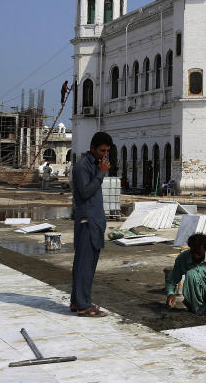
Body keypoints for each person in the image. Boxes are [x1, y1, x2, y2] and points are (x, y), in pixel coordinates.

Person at [70, 131, 111, 317]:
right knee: (84, 264)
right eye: (102, 150)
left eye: (107, 151)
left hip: (94, 220)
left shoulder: (94, 165)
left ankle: (76, 301)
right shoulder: (82, 167)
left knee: (85, 263)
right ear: (92, 148)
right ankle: (83, 305)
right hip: (87, 220)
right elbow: (85, 192)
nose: (104, 155)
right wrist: (101, 175)